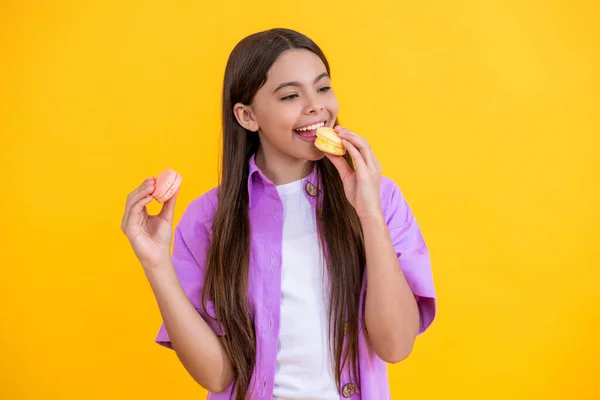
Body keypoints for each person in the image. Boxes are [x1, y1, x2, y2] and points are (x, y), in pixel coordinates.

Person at [121, 27, 437, 400]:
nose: (316, 106)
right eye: (290, 95)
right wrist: (156, 263)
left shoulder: (380, 197)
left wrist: (368, 214)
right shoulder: (207, 219)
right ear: (247, 116)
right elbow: (217, 376)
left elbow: (396, 346)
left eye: (322, 88)